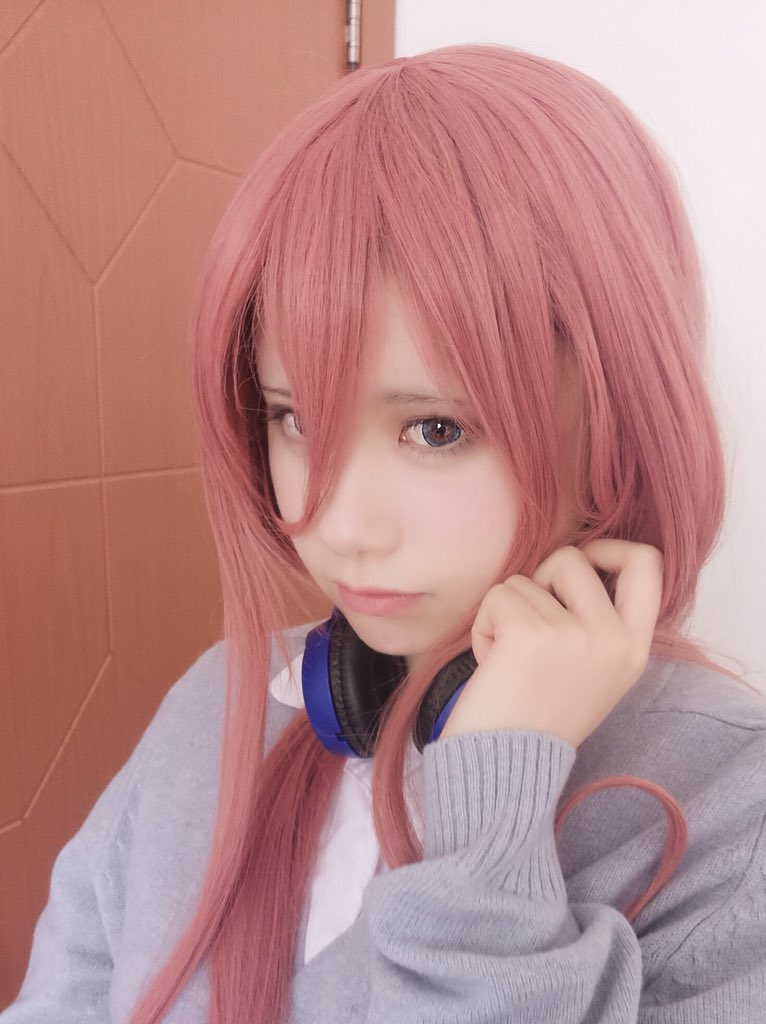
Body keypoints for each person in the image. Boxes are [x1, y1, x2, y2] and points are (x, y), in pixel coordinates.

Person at [3, 42, 765, 1024]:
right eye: (293, 417)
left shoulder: (732, 800)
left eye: (435, 429)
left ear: (616, 420)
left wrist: (493, 809)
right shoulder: (225, 702)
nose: (339, 524)